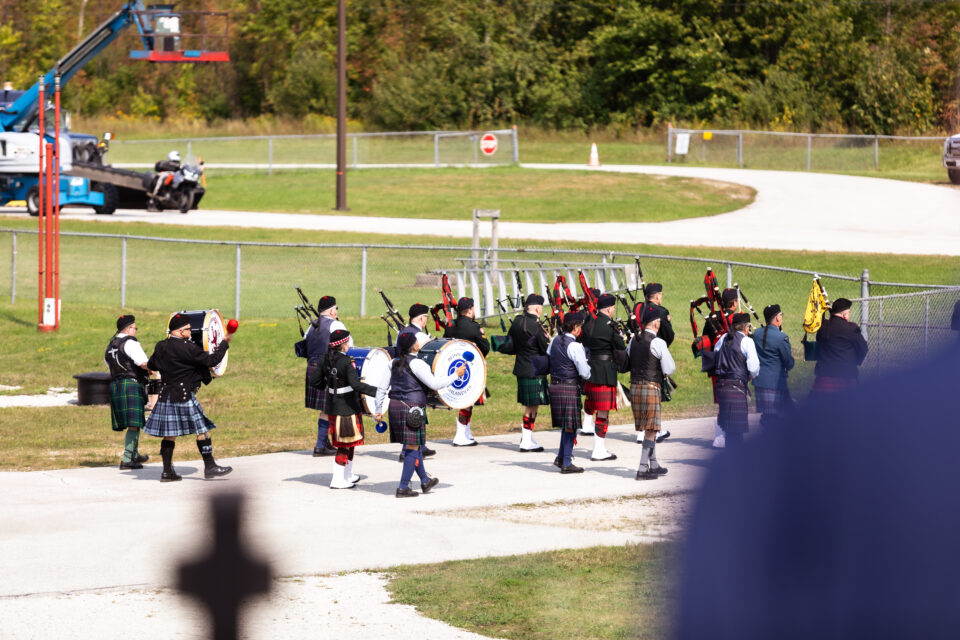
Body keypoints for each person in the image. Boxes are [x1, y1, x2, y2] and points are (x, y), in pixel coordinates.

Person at [142, 313, 233, 482]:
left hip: (166, 395)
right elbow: (212, 360)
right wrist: (224, 343)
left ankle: (167, 472)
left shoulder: (161, 346)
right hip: (183, 395)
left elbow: (152, 365)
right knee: (202, 430)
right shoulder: (188, 348)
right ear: (180, 331)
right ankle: (210, 466)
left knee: (169, 434)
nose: (191, 332)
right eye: (188, 329)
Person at [375, 332, 466, 498]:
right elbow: (434, 383)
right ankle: (403, 487)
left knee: (414, 446)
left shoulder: (392, 363)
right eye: (417, 341)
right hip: (412, 409)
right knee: (412, 448)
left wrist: (378, 410)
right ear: (413, 346)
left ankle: (424, 481)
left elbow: (381, 389)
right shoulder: (417, 364)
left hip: (395, 406)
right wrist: (456, 375)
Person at [313, 329, 378, 489]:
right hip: (347, 408)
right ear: (342, 345)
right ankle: (337, 479)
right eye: (347, 342)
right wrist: (378, 391)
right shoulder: (346, 362)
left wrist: (327, 385)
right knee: (344, 444)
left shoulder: (324, 359)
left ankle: (347, 474)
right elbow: (356, 385)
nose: (349, 344)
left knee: (350, 442)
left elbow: (315, 381)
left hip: (334, 406)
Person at [629, 307, 677, 479]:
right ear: (656, 323)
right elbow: (670, 368)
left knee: (651, 427)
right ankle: (642, 469)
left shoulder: (633, 340)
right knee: (651, 428)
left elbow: (628, 360)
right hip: (650, 386)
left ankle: (654, 464)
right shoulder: (658, 342)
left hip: (634, 386)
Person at [304, 295, 351, 457]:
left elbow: (305, 345)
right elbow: (348, 345)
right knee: (330, 407)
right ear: (332, 310)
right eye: (336, 308)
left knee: (326, 408)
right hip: (329, 368)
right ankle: (321, 445)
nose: (337, 311)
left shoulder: (311, 327)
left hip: (312, 368)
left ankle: (324, 443)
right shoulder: (336, 324)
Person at [580, 293, 625, 462]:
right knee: (603, 413)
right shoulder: (610, 326)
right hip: (605, 372)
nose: (613, 310)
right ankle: (598, 449)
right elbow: (620, 346)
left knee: (596, 410)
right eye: (613, 307)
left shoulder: (588, 323)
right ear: (608, 308)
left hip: (590, 371)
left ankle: (599, 447)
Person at [547, 312, 592, 474]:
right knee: (571, 426)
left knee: (567, 425)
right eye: (580, 326)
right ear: (575, 327)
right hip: (569, 386)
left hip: (555, 385)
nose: (581, 329)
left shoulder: (554, 341)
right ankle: (566, 462)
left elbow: (548, 357)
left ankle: (560, 457)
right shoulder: (575, 346)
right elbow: (585, 372)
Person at [105, 314, 151, 470]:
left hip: (116, 385)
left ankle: (135, 454)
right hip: (131, 384)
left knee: (134, 423)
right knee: (134, 423)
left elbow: (109, 365)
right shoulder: (130, 343)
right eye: (134, 328)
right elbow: (143, 363)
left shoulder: (111, 345)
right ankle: (127, 459)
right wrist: (155, 366)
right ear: (129, 328)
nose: (135, 331)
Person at [507, 294, 551, 452]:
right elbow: (546, 349)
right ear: (538, 308)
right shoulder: (537, 326)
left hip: (521, 368)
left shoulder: (518, 321)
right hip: (535, 370)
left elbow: (510, 345)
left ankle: (528, 436)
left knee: (531, 405)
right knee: (532, 406)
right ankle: (526, 439)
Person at [443, 297, 490, 446]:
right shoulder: (474, 328)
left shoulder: (451, 326)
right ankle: (460, 435)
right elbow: (485, 348)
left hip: (452, 369)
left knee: (467, 402)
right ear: (470, 310)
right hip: (469, 370)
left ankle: (466, 432)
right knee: (467, 401)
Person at [392, 302, 436, 458]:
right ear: (422, 318)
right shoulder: (420, 336)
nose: (427, 321)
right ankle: (408, 450)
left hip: (401, 374)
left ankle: (420, 446)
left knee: (413, 413)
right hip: (415, 377)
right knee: (414, 413)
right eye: (426, 318)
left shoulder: (403, 332)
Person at [712, 312, 760, 448]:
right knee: (737, 431)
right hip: (737, 387)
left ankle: (730, 457)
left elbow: (716, 357)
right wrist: (750, 375)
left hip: (722, 387)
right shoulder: (747, 341)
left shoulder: (722, 338)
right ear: (746, 327)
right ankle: (735, 460)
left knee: (728, 429)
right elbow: (754, 367)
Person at [810, 298, 869, 396]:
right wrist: (856, 361)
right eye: (849, 313)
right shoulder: (851, 329)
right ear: (845, 315)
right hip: (846, 377)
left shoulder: (823, 327)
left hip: (824, 378)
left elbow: (819, 340)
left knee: (818, 410)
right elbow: (863, 349)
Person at [704, 288, 740, 448]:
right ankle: (727, 435)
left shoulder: (712, 319)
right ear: (734, 303)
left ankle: (720, 435)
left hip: (716, 367)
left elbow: (706, 342)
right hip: (734, 368)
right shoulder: (737, 319)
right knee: (734, 402)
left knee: (723, 402)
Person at [752, 304, 795, 426]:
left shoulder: (756, 334)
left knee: (768, 415)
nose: (782, 317)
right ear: (777, 318)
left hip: (760, 381)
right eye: (781, 315)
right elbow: (788, 362)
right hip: (775, 383)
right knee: (777, 417)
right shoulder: (781, 337)